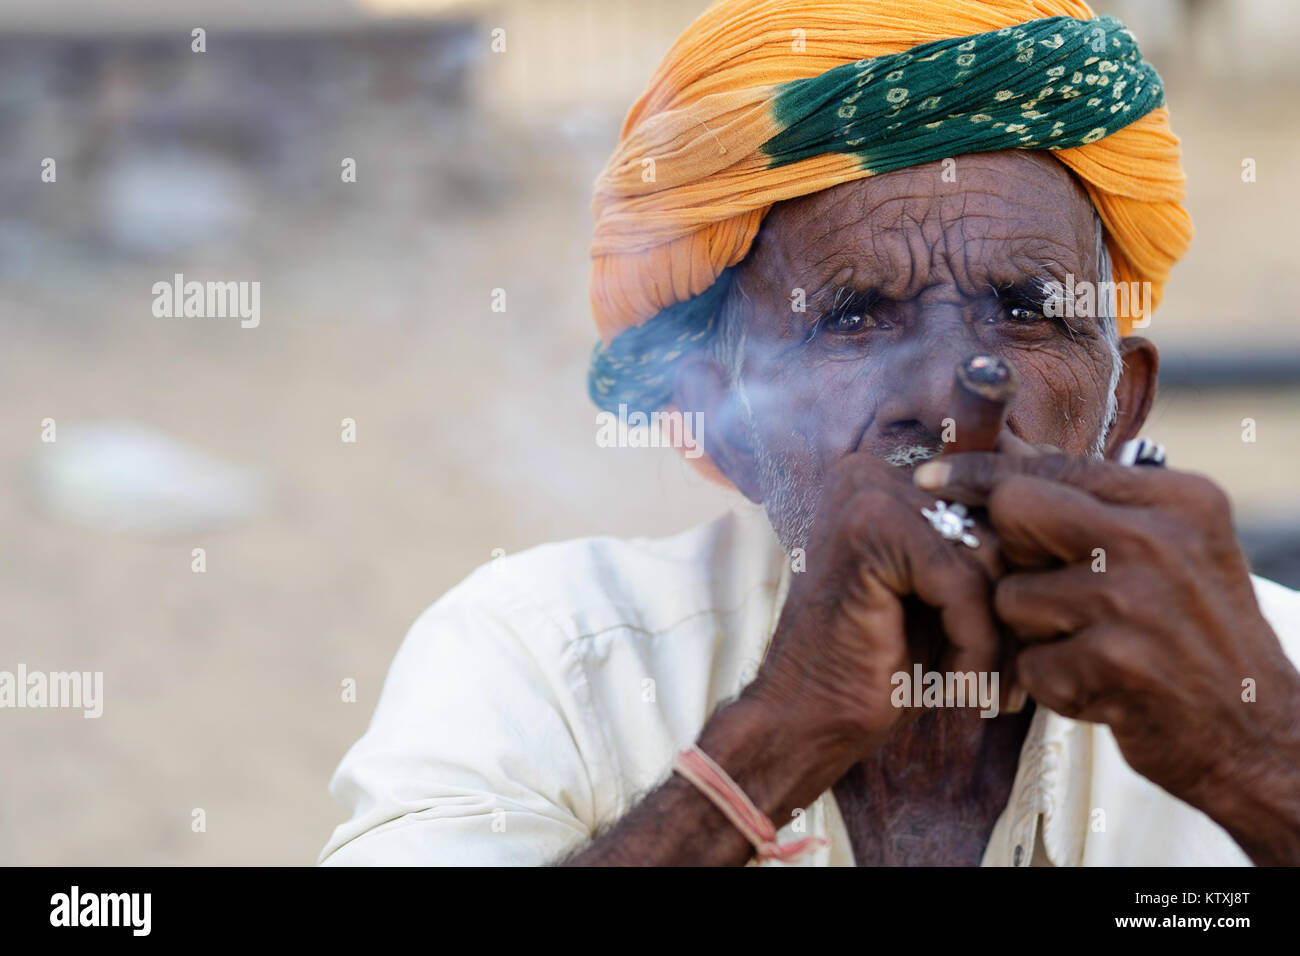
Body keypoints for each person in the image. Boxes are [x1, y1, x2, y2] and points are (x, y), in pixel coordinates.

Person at [319, 0, 1300, 866]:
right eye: (855, 316)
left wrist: (1254, 761)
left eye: (1027, 310)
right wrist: (775, 735)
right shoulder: (543, 660)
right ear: (720, 418)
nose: (950, 393)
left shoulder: (1274, 664)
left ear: (1120, 406)